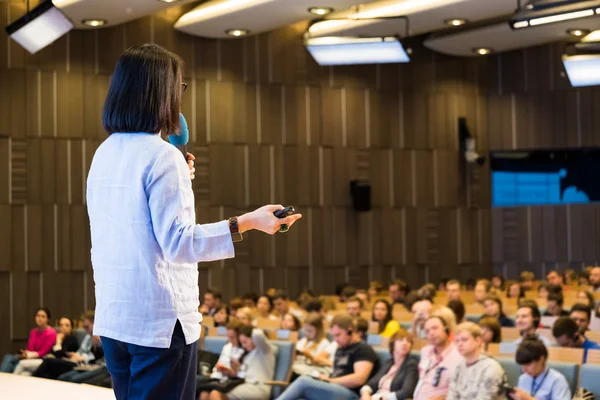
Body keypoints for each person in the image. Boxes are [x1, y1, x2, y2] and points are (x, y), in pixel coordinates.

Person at [87, 43, 302, 400]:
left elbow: (133, 225)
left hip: (115, 317)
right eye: (179, 87)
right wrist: (247, 222)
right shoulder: (162, 156)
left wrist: (177, 178)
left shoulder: (105, 152)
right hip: (159, 322)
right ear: (162, 92)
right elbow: (180, 244)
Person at [276, 314, 378, 400]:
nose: (335, 339)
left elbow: (359, 379)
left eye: (338, 335)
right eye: (333, 335)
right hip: (334, 387)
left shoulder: (363, 349)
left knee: (303, 382)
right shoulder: (341, 348)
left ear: (350, 331)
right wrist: (323, 379)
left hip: (351, 393)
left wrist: (330, 381)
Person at [206, 326, 277, 400]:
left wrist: (249, 328)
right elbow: (245, 375)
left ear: (253, 339)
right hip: (246, 386)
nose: (243, 345)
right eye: (241, 343)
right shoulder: (247, 356)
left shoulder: (265, 350)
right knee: (209, 392)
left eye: (245, 342)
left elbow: (258, 334)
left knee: (216, 393)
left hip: (258, 388)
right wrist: (232, 373)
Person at [33, 311, 102, 380]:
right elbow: (80, 351)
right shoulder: (88, 336)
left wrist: (82, 358)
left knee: (49, 362)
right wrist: (73, 356)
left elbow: (96, 358)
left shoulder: (73, 339)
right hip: (77, 362)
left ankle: (33, 380)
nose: (85, 330)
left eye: (87, 327)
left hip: (85, 363)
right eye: (61, 325)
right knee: (52, 373)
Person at [446, 322, 507, 400]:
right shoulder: (458, 367)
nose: (459, 344)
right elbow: (451, 396)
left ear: (478, 341)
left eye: (464, 340)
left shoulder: (491, 367)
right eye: (457, 341)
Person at [359, 330, 418, 400]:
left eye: (408, 341)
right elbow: (372, 383)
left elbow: (407, 391)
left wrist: (382, 398)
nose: (404, 343)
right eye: (401, 340)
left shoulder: (411, 364)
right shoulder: (388, 363)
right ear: (393, 344)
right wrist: (365, 394)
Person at [413, 316, 461, 400]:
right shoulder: (425, 352)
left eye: (435, 328)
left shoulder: (459, 355)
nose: (431, 333)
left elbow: (460, 391)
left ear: (446, 329)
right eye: (427, 331)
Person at [14, 316, 79, 376]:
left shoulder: (72, 339)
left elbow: (60, 354)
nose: (63, 328)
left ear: (71, 328)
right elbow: (50, 352)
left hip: (60, 365)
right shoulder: (56, 337)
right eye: (61, 325)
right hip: (48, 362)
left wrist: (58, 342)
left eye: (67, 325)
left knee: (22, 364)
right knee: (25, 374)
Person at [196, 320, 245, 399]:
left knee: (214, 393)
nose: (230, 340)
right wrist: (218, 369)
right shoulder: (227, 347)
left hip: (233, 381)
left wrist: (231, 372)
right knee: (204, 393)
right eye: (228, 337)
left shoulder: (244, 350)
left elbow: (243, 373)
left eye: (232, 337)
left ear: (240, 336)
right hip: (219, 378)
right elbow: (217, 367)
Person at [0, 307, 56, 373]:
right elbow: (30, 348)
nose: (40, 319)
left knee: (21, 370)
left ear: (47, 319)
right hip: (29, 356)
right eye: (38, 316)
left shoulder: (51, 333)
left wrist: (28, 355)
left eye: (43, 316)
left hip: (39, 359)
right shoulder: (33, 332)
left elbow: (43, 352)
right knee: (8, 357)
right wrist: (24, 353)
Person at [292, 313, 332, 377]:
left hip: (313, 372)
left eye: (310, 331)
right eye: (305, 330)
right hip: (298, 369)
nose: (307, 333)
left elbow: (322, 363)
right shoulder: (303, 341)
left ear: (319, 330)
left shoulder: (324, 343)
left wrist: (309, 356)